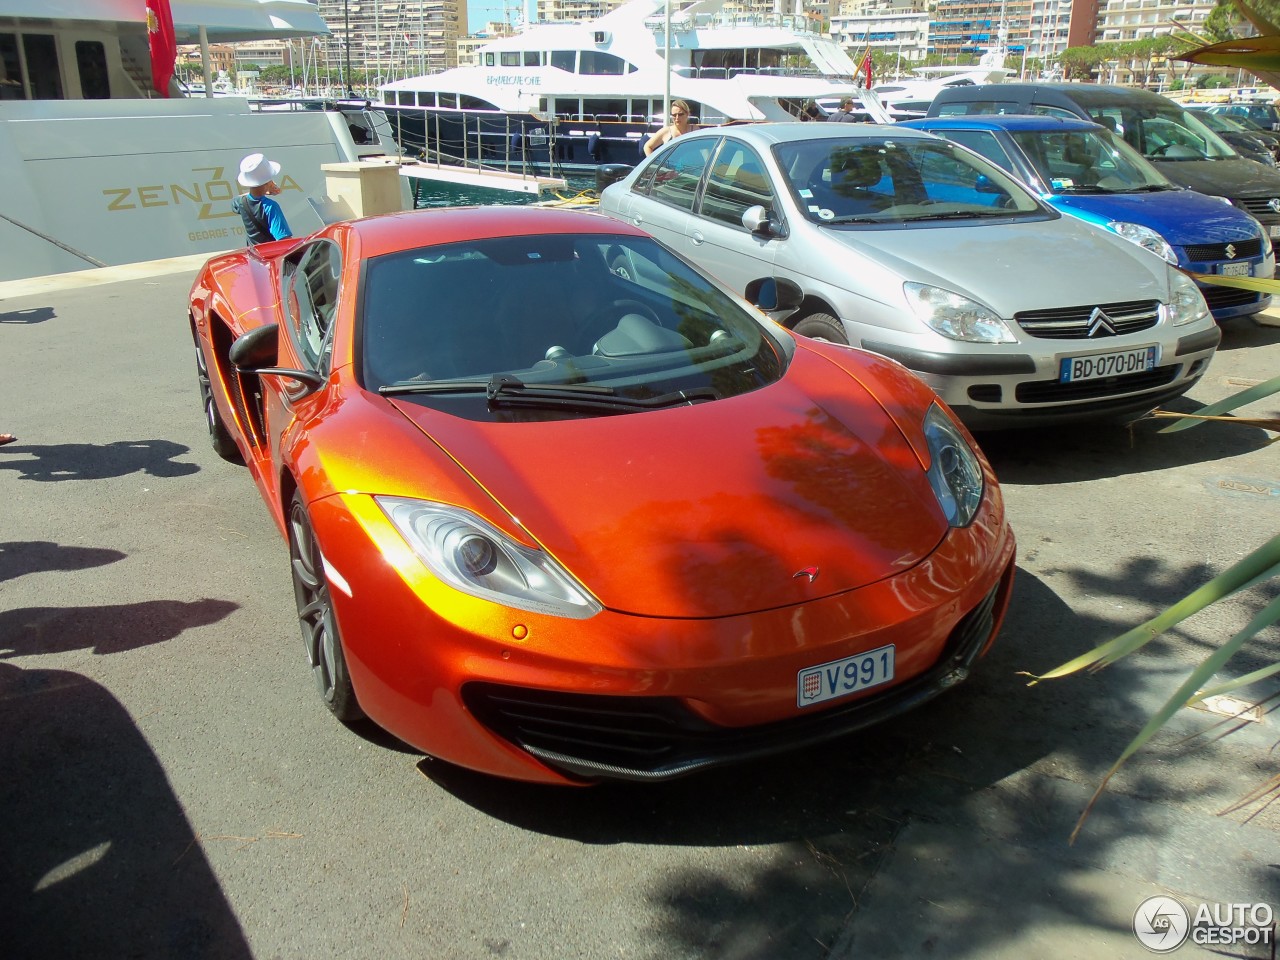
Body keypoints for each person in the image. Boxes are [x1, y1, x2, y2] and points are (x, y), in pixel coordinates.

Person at [232, 153, 292, 245]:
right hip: (270, 257)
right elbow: (284, 240)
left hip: (253, 256)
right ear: (268, 182)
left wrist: (266, 189)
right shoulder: (271, 207)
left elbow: (237, 200)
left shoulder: (241, 202)